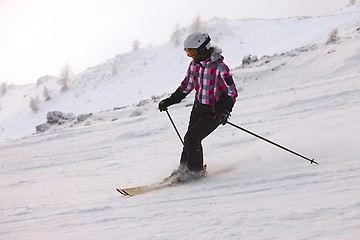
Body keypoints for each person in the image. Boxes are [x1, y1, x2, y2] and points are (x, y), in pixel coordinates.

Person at [158, 33, 238, 182]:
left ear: (203, 49)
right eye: (188, 53)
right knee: (189, 139)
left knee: (192, 138)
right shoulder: (194, 66)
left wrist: (225, 110)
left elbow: (231, 91)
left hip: (213, 111)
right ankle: (183, 167)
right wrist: (170, 101)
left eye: (192, 52)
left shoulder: (220, 67)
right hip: (198, 108)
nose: (190, 56)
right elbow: (187, 86)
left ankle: (195, 171)